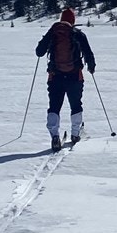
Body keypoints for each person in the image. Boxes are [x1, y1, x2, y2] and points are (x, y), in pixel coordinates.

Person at [34, 8, 95, 151]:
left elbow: (39, 52)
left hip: (55, 76)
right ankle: (75, 134)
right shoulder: (77, 34)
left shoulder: (53, 32)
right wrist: (91, 67)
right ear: (73, 20)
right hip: (74, 76)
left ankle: (54, 136)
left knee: (54, 106)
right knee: (75, 105)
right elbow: (88, 54)